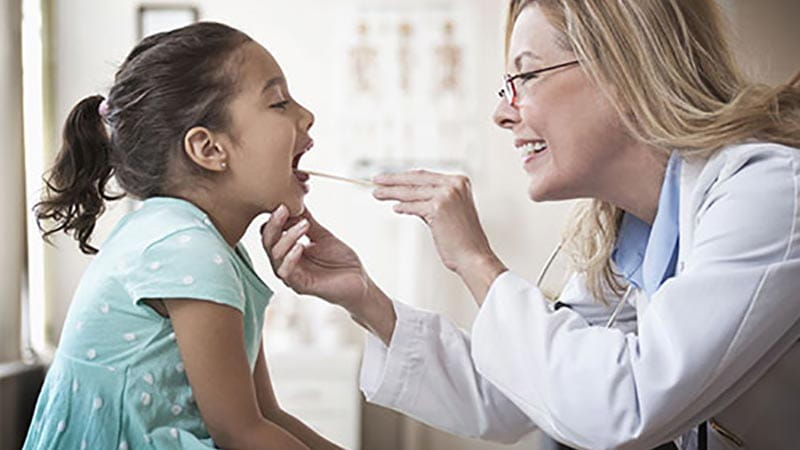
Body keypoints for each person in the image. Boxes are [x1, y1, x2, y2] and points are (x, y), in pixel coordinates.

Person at [262, 0, 800, 449]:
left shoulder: (769, 190)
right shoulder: (631, 231)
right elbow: (524, 393)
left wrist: (476, 260)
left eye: (525, 76)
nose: (502, 112)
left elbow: (625, 406)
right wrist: (364, 299)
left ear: (625, 68)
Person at [25, 22, 340, 450]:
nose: (306, 115)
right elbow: (242, 434)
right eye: (279, 102)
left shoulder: (214, 248)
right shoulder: (184, 247)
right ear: (209, 149)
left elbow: (266, 416)